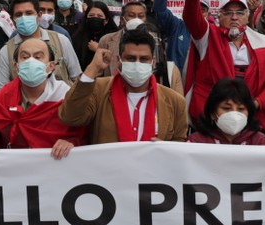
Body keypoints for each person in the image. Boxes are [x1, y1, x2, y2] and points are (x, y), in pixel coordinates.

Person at [183, 0, 265, 128]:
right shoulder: (208, 36)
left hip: (251, 119)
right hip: (211, 120)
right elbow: (192, 18)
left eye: (240, 12)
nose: (234, 17)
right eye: (228, 12)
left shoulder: (263, 43)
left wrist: (255, 104)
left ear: (247, 16)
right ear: (219, 16)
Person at [58, 28, 189, 145]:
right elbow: (70, 117)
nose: (137, 64)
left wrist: (164, 148)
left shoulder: (175, 101)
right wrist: (92, 70)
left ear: (153, 62)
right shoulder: (98, 90)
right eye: (131, 58)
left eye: (144, 59)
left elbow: (179, 144)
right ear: (118, 60)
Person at [0, 36, 85, 165]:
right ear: (16, 66)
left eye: (38, 57)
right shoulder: (2, 97)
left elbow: (81, 134)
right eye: (25, 57)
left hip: (55, 167)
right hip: (16, 168)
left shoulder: (66, 97)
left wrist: (71, 142)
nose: (31, 61)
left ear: (51, 66)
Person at [0, 0, 81, 88]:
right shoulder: (6, 51)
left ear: (39, 15)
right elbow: (1, 90)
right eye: (18, 14)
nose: (24, 18)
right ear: (12, 19)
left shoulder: (61, 40)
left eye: (29, 13)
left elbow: (76, 78)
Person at [188, 77, 265, 146]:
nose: (234, 114)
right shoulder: (196, 142)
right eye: (226, 108)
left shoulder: (260, 142)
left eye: (241, 109)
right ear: (212, 113)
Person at [71, 0, 118, 71]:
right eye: (91, 15)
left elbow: (117, 61)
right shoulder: (78, 37)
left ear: (106, 20)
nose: (95, 18)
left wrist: (98, 50)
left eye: (99, 16)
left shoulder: (114, 38)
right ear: (86, 18)